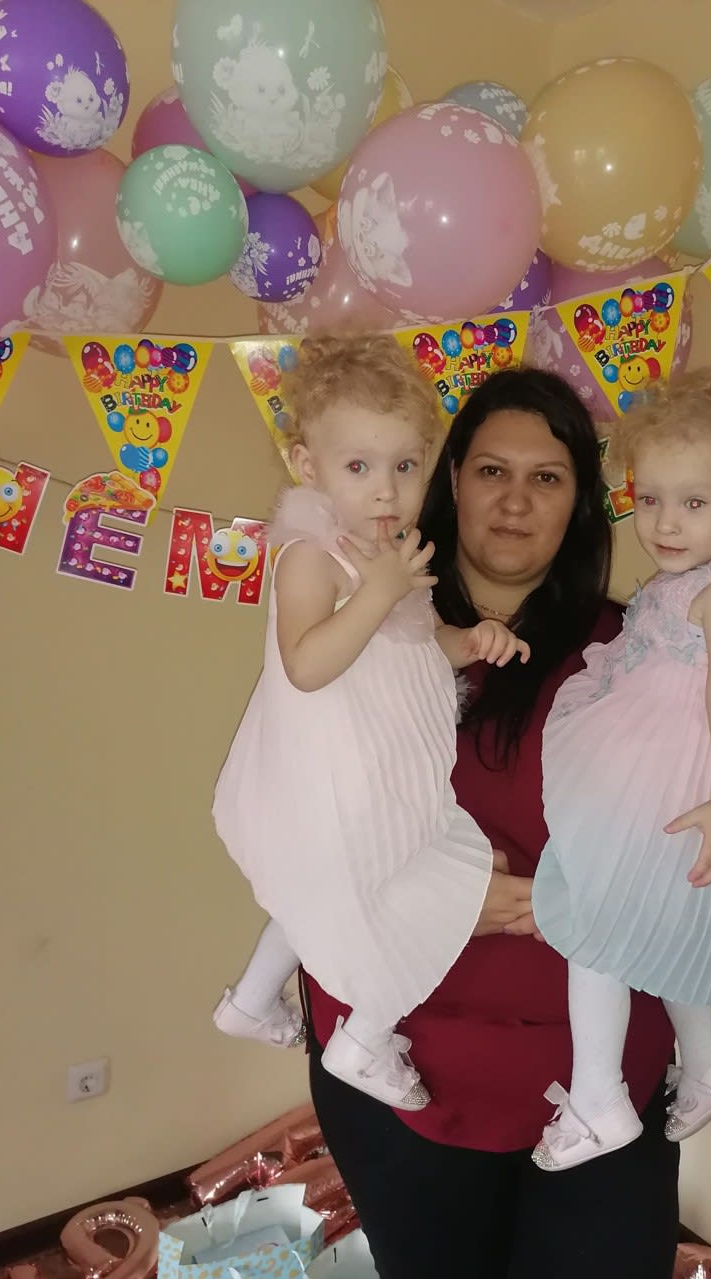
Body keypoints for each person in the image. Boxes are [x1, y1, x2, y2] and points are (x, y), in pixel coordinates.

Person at [303, 367, 680, 1279]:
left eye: (546, 477)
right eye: (492, 471)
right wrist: (441, 899)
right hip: (406, 1066)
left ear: (580, 502)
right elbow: (292, 826)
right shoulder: (368, 636)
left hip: (596, 1078)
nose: (515, 499)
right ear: (452, 481)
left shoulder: (637, 653)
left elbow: (696, 845)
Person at [211, 335, 528, 1112]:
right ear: (307, 465)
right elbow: (307, 661)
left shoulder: (390, 553)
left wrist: (469, 641)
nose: (386, 490)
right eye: (359, 466)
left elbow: (413, 646)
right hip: (335, 777)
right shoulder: (311, 556)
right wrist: (380, 590)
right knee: (417, 891)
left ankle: (253, 1000)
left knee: (331, 892)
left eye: (406, 465)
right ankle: (364, 1035)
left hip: (384, 767)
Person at [532, 370, 711, 1171]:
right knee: (652, 921)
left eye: (693, 502)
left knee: (597, 924)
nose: (665, 522)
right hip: (665, 772)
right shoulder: (698, 579)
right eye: (649, 498)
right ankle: (707, 1057)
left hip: (683, 779)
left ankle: (598, 1098)